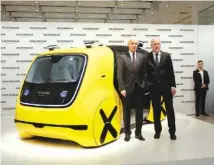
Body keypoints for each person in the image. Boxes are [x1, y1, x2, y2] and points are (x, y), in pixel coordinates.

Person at [145, 38, 177, 140]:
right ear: (151, 45)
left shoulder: (166, 56)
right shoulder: (148, 57)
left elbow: (171, 71)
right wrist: (148, 84)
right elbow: (146, 73)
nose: (156, 45)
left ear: (160, 45)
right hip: (154, 88)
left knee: (170, 110)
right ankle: (157, 131)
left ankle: (172, 132)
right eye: (154, 44)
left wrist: (173, 85)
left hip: (166, 87)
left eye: (158, 44)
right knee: (156, 110)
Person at [117, 39, 147, 142]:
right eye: (132, 43)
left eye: (136, 44)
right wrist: (122, 88)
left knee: (139, 111)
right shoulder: (122, 57)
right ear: (128, 45)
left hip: (139, 87)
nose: (134, 45)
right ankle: (127, 133)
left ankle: (138, 133)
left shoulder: (141, 56)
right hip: (127, 88)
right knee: (127, 112)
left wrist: (144, 84)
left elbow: (144, 72)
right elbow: (119, 74)